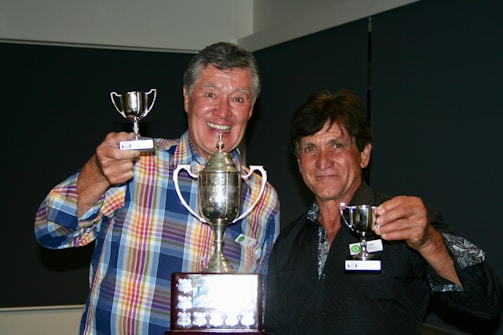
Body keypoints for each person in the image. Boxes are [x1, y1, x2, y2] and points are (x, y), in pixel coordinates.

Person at [35, 42, 280, 335]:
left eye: (238, 99)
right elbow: (50, 231)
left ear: (251, 109)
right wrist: (96, 174)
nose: (223, 112)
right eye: (210, 94)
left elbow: (261, 302)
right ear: (187, 98)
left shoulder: (261, 196)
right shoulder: (136, 164)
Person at [263, 89, 503, 334]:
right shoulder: (288, 242)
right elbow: (274, 326)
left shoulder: (406, 224)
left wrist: (430, 242)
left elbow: (485, 303)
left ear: (364, 154)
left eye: (336, 145)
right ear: (299, 162)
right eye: (310, 148)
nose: (323, 161)